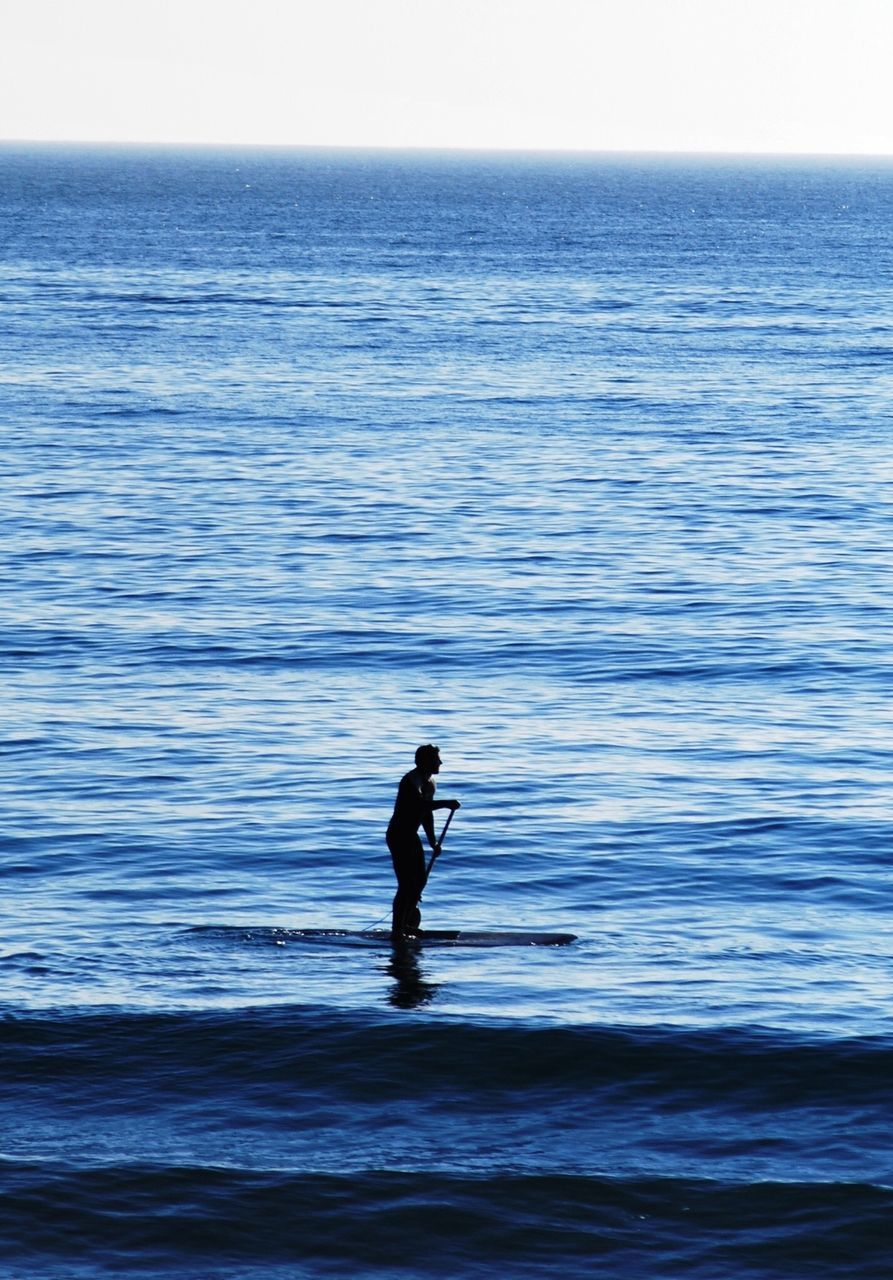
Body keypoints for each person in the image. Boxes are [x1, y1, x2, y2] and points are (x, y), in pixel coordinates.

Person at [387, 744, 460, 939]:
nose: (440, 762)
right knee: (405, 884)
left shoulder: (431, 781)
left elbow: (425, 814)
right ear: (425, 761)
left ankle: (407, 922)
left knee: (420, 880)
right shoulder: (411, 780)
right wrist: (445, 803)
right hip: (398, 836)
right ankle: (397, 930)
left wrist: (432, 842)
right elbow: (418, 804)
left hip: (411, 836)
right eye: (437, 759)